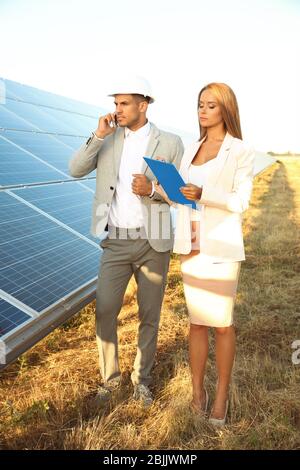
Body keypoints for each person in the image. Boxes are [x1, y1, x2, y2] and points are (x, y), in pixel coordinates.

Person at [69, 76, 184, 407]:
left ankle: (142, 381)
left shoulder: (170, 142)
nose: (116, 109)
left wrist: (152, 190)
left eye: (123, 103)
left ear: (142, 106)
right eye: (115, 103)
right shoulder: (107, 138)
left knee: (150, 314)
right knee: (105, 309)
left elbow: (177, 196)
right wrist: (97, 136)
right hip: (116, 240)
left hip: (154, 242)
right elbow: (75, 168)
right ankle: (110, 379)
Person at [157, 82, 255, 426]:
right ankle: (198, 391)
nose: (203, 110)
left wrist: (205, 192)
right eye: (200, 104)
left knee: (222, 325)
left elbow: (240, 201)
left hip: (221, 246)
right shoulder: (191, 148)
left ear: (225, 109)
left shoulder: (240, 150)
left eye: (211, 105)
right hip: (191, 245)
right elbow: (182, 197)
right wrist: (160, 186)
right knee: (197, 322)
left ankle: (222, 394)